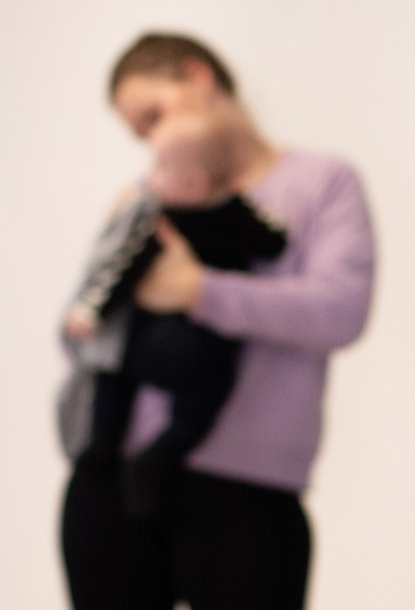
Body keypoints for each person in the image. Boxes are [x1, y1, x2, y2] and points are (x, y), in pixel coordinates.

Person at [59, 32, 375, 610]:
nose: (153, 141)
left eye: (154, 114)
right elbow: (75, 333)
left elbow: (340, 311)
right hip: (111, 481)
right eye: (141, 134)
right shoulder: (146, 199)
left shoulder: (322, 182)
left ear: (198, 76)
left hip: (249, 494)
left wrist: (199, 291)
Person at [66, 110, 288, 521]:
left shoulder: (161, 221)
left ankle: (102, 441)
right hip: (207, 352)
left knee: (112, 369)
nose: (150, 178)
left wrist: (89, 311)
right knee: (206, 398)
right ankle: (161, 454)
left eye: (159, 167)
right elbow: (276, 242)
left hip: (150, 344)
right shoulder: (241, 213)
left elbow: (121, 270)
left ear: (193, 184)